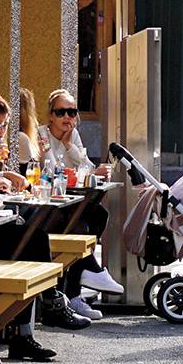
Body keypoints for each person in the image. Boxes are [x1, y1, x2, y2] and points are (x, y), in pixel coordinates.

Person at [0, 85, 84, 360]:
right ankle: (40, 313)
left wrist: (2, 174)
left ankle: (31, 324)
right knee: (33, 240)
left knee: (35, 237)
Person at [39, 88, 123, 313]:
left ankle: (80, 282)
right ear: (50, 116)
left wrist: (69, 146)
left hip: (68, 204)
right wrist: (82, 170)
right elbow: (51, 171)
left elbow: (86, 167)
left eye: (72, 112)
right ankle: (85, 278)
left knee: (98, 214)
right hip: (47, 209)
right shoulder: (41, 136)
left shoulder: (72, 136)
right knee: (80, 225)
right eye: (61, 112)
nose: (67, 117)